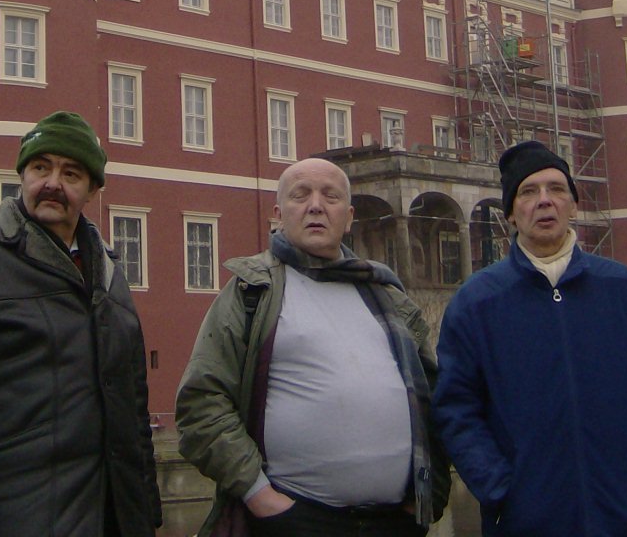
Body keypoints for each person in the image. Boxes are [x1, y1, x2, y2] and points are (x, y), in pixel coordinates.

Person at [0, 110, 161, 537]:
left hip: (114, 517)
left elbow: (133, 406)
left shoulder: (111, 274)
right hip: (17, 513)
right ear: (22, 174)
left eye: (71, 173)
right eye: (40, 167)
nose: (52, 183)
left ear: (93, 190)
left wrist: (146, 515)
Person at [176, 157, 448, 536]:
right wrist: (262, 498)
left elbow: (435, 400)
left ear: (349, 216)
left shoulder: (388, 296)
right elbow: (201, 404)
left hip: (393, 523)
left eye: (330, 196)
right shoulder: (251, 291)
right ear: (279, 213)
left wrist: (424, 498)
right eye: (300, 195)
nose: (316, 205)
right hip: (294, 522)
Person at [433, 140, 627, 537]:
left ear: (573, 205)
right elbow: (456, 409)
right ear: (511, 213)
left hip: (620, 513)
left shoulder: (622, 289)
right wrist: (499, 487)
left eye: (557, 189)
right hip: (522, 518)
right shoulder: (477, 302)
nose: (544, 201)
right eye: (528, 192)